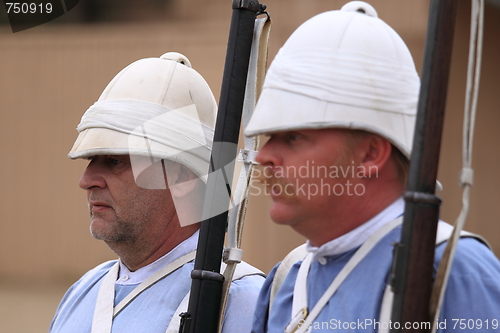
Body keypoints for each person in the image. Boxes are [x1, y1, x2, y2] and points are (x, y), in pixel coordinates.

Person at [244, 2, 500, 332]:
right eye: (269, 136)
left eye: (292, 136)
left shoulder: (455, 271)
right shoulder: (286, 281)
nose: (265, 156)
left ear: (370, 154)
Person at [49, 52, 265, 333]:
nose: (86, 180)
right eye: (91, 161)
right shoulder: (81, 293)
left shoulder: (242, 301)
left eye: (114, 160)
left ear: (181, 176)